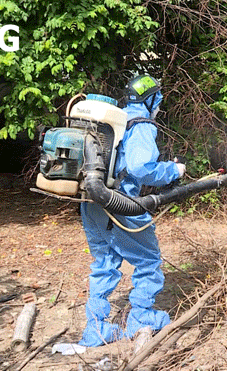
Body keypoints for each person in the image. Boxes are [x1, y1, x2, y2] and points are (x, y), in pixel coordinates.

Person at [75, 74, 185, 351]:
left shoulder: (115, 120)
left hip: (90, 203)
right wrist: (174, 170)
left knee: (104, 263)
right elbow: (140, 167)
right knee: (148, 261)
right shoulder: (142, 124)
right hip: (120, 204)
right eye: (158, 98)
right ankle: (140, 317)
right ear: (152, 99)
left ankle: (95, 328)